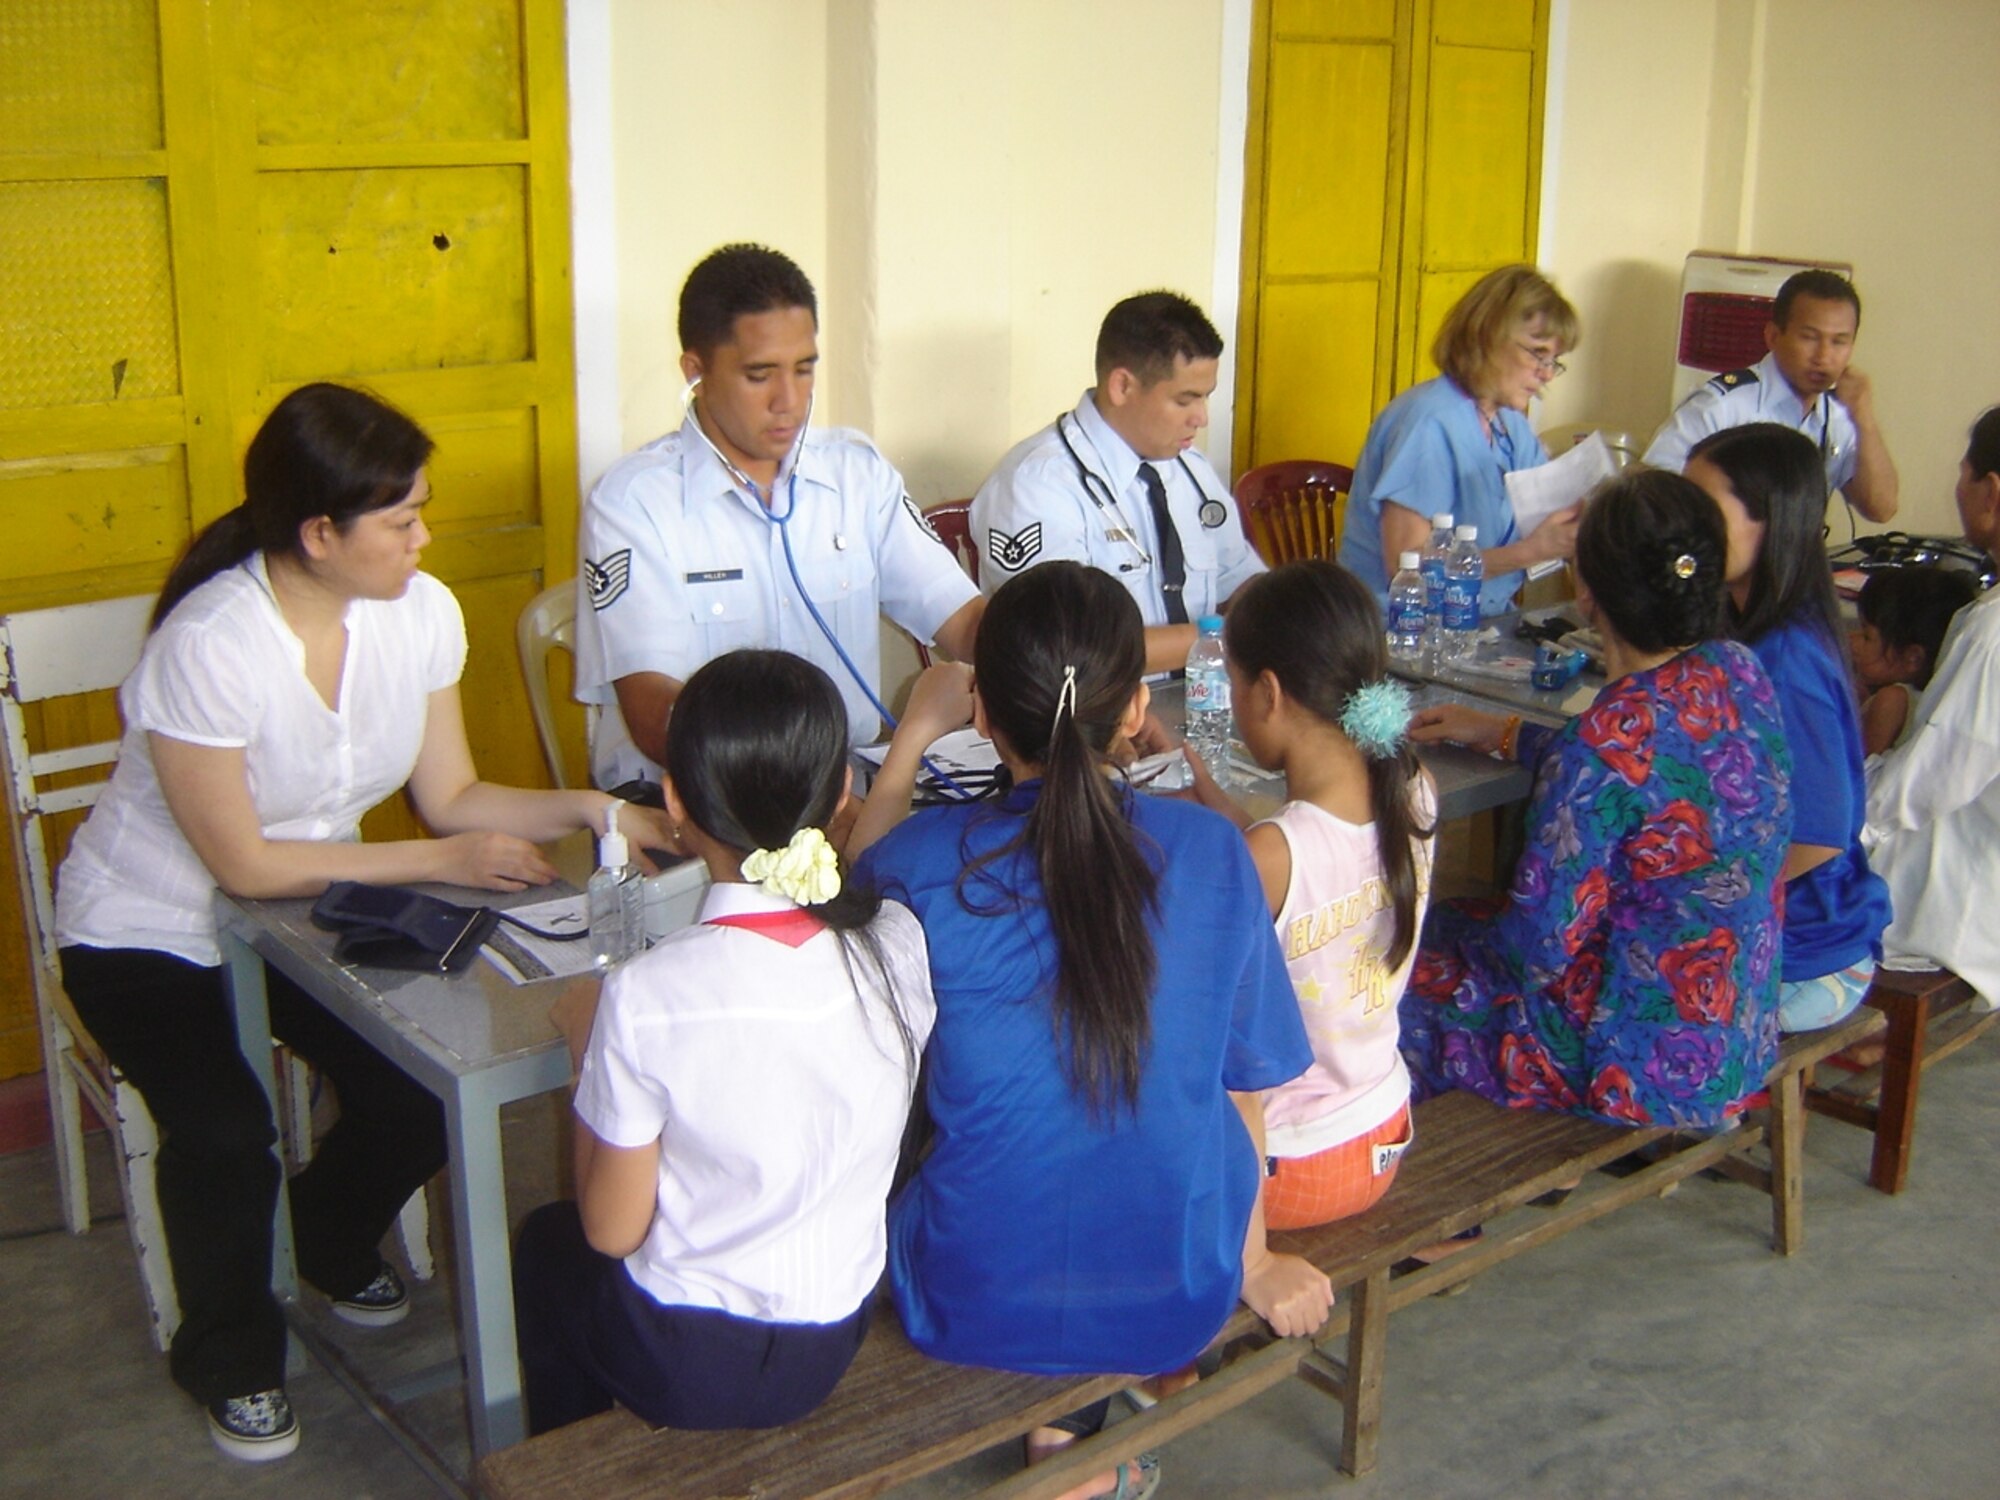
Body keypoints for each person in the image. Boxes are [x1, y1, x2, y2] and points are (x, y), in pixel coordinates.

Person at [52, 383, 663, 1462]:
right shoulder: (213, 643)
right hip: (153, 929)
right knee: (225, 1130)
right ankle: (230, 1356)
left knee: (421, 1082)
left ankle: (324, 1234)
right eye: (402, 520)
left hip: (310, 908)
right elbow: (239, 862)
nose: (424, 538)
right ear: (319, 533)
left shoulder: (418, 612)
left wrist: (593, 808)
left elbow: (454, 796)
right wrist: (445, 862)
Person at [852, 562, 1315, 1500]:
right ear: (1137, 708)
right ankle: (1079, 1449)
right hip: (1177, 1291)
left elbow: (855, 885)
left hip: (964, 1295)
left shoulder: (917, 861)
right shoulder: (1213, 853)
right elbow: (1247, 1085)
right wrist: (1254, 1263)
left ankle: (1068, 1446)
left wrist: (909, 738)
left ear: (983, 714)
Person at [512, 651, 936, 1435]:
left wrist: (587, 1052)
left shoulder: (645, 997)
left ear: (673, 800)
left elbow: (611, 1230)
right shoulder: (897, 945)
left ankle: (573, 1474)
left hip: (690, 1361)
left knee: (547, 1246)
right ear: (842, 789)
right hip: (834, 1331)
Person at [1401, 469, 1791, 1129]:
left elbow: (1535, 950)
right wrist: (1508, 734)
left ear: (1586, 593)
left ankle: (1436, 1211)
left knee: (1389, 978)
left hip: (1631, 1063)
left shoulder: (1600, 749)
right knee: (1446, 929)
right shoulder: (1738, 670)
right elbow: (1665, 772)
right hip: (1737, 1027)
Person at [573, 243, 983, 796]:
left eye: (804, 369)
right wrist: (810, 800)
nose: (788, 401)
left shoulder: (854, 475)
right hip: (701, 805)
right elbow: (656, 716)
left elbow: (967, 624)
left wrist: (1078, 687)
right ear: (696, 372)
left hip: (848, 787)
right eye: (759, 375)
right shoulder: (633, 504)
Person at [1182, 561, 1437, 1242]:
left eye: (1232, 686)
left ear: (1267, 692)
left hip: (1286, 1168)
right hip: (1382, 1130)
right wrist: (1217, 801)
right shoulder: (1412, 788)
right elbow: (1310, 866)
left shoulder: (1272, 853)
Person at [1685, 424, 1891, 1031]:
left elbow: (1819, 836)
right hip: (1769, 930)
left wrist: (1699, 901)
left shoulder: (1787, 660)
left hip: (1805, 955)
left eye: (1705, 510)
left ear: (1768, 522)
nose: (1686, 527)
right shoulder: (1744, 628)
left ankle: (1698, 1114)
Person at [971, 291, 1265, 674]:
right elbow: (1072, 650)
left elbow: (1239, 580)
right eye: (1184, 400)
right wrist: (1228, 639)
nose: (1201, 418)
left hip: (1202, 701)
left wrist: (1277, 612)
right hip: (1092, 715)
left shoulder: (1190, 469)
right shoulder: (1035, 485)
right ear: (1122, 386)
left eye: (1206, 398)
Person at [1337, 264, 1582, 616]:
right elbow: (1407, 570)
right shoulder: (1430, 422)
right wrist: (1531, 552)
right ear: (1486, 337)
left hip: (1477, 622)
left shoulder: (1510, 424)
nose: (1546, 373)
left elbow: (1549, 511)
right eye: (1536, 353)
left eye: (1554, 360)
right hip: (1398, 628)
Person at [1864, 407, 2000, 1011]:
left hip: (1964, 890)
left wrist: (1842, 818)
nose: (1959, 490)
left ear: (1990, 493)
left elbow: (1933, 780)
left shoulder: (1993, 631)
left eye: (1964, 474)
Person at [1644, 269, 1900, 523]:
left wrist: (1864, 420)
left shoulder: (1839, 415)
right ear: (1773, 336)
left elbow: (1881, 508)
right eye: (1809, 338)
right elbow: (1649, 500)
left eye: (1838, 342)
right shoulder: (1722, 407)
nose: (1823, 357)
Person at [1849, 564, 1978, 756]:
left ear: (1912, 658)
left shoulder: (1892, 700)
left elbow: (1856, 769)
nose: (1852, 639)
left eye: (1866, 636)